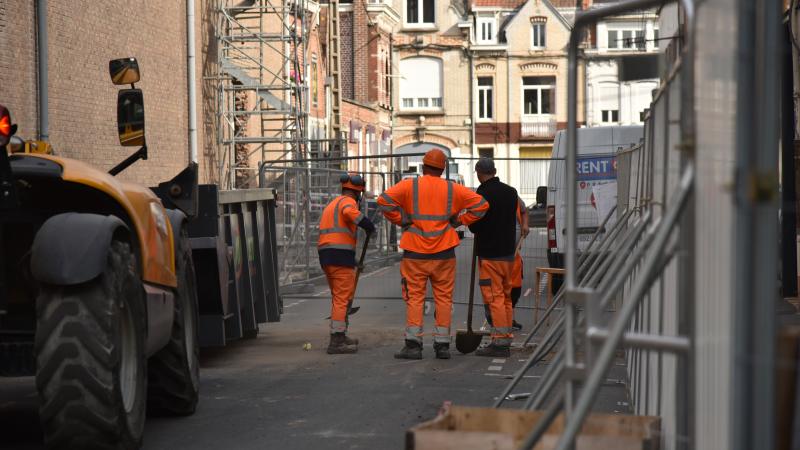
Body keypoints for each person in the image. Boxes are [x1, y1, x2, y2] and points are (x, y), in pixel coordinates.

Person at [378, 149, 489, 360]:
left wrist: (400, 219)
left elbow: (384, 201)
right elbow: (482, 205)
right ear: (443, 168)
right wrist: (460, 221)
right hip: (444, 253)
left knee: (415, 298)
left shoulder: (410, 185)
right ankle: (442, 346)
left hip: (415, 253)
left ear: (424, 165)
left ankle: (413, 346)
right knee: (444, 298)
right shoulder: (453, 189)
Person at [318, 173, 375, 354]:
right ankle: (336, 341)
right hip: (338, 257)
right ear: (357, 193)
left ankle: (340, 334)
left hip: (328, 256)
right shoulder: (347, 203)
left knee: (338, 298)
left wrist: (354, 260)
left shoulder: (332, 204)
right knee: (342, 299)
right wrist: (367, 224)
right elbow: (350, 214)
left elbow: (335, 237)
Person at [468, 158, 519, 357]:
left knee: (494, 297)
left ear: (479, 172)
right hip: (508, 252)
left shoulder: (482, 194)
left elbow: (475, 224)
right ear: (495, 171)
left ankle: (498, 342)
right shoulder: (511, 191)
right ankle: (505, 337)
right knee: (505, 296)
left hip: (490, 254)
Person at [511, 197, 529, 330]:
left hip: (514, 255)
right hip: (497, 257)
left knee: (515, 290)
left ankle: (510, 319)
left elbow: (524, 211)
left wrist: (525, 224)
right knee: (499, 292)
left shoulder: (514, 198)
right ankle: (501, 322)